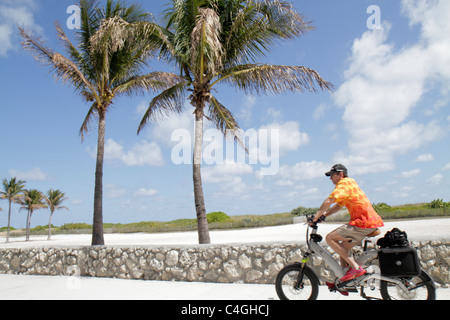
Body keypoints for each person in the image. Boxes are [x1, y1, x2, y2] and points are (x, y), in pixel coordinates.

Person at [312, 164, 384, 288]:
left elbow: (330, 200)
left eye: (332, 175)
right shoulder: (351, 183)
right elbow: (339, 204)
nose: (330, 179)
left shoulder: (344, 183)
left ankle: (355, 268)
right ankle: (345, 280)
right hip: (369, 222)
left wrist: (315, 217)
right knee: (342, 248)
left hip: (362, 222)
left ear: (340, 174)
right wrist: (325, 215)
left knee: (330, 238)